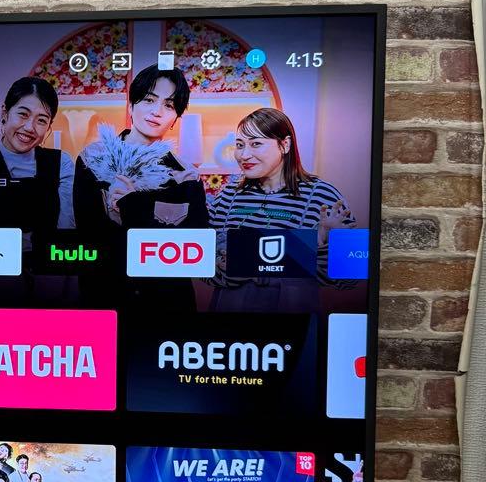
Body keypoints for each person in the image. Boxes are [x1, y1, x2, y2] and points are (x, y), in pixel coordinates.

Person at [73, 63, 208, 309]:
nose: (157, 111)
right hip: (105, 299)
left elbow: (195, 254)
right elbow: (88, 239)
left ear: (176, 118)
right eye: (149, 100)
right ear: (131, 105)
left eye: (169, 105)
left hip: (167, 306)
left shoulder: (187, 176)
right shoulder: (93, 159)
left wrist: (134, 206)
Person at [207, 107, 356, 311]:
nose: (244, 155)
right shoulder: (227, 195)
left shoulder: (324, 197)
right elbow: (204, 268)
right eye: (239, 145)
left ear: (285, 145)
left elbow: (350, 278)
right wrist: (230, 269)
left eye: (256, 144)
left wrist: (325, 244)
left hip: (294, 322)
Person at [0, 77, 75, 250]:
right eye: (23, 114)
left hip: (50, 265)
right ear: (5, 113)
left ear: (49, 126)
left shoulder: (62, 163)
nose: (30, 127)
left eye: (41, 120)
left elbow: (66, 234)